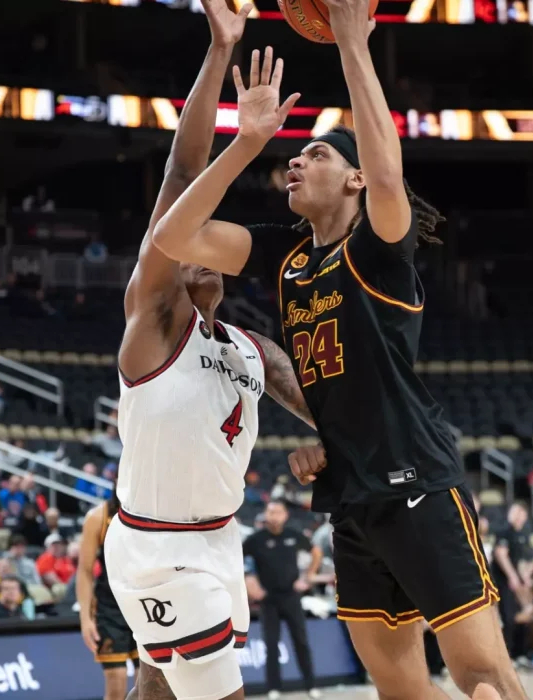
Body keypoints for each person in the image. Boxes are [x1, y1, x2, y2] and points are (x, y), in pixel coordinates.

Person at [148, 0, 518, 695]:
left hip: (418, 482)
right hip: (350, 498)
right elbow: (172, 238)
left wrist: (352, 39)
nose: (297, 160)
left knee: (482, 677)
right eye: (294, 153)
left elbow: (385, 172)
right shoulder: (286, 263)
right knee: (398, 688)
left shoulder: (377, 249)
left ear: (351, 180)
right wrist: (246, 141)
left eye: (314, 153)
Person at [104, 5, 315, 700]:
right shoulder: (156, 321)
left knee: (160, 690)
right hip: (158, 546)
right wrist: (222, 51)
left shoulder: (255, 351)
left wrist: (347, 443)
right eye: (185, 246)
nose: (197, 251)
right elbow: (180, 173)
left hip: (220, 541)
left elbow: (326, 405)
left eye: (207, 245)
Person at [243, 500, 323, 699]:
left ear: (285, 515)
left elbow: (316, 552)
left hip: (292, 596)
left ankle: (311, 685)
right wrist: (249, 584)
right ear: (265, 514)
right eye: (270, 511)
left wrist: (307, 577)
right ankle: (273, 688)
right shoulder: (255, 539)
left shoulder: (293, 535)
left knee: (301, 641)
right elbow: (237, 560)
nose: (274, 515)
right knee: (271, 644)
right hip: (268, 598)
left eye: (278, 512)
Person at [77, 480, 139, 700]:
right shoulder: (98, 517)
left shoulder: (152, 512)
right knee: (116, 682)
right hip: (110, 607)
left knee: (152, 685)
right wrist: (85, 619)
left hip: (144, 604)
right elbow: (84, 571)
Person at [491, 502, 532, 657]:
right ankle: (504, 656)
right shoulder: (504, 531)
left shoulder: (521, 534)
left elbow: (519, 560)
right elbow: (501, 555)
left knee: (519, 616)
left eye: (522, 514)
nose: (519, 517)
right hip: (500, 580)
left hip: (513, 581)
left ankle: (517, 654)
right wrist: (513, 576)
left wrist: (524, 577)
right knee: (507, 617)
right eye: (516, 513)